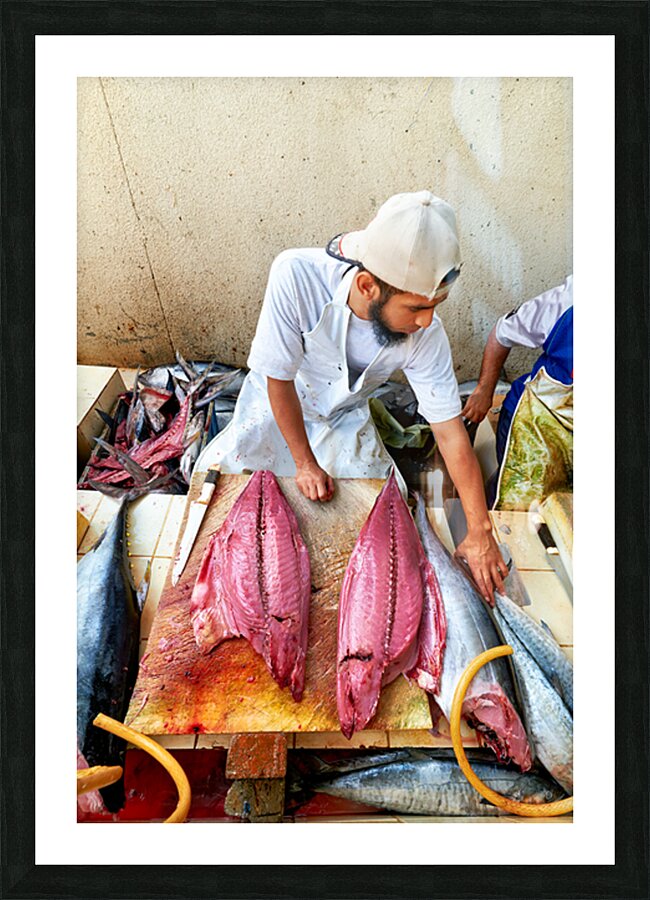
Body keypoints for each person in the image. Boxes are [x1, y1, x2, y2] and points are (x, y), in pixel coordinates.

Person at [195, 190, 507, 601]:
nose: (427, 320)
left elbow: (449, 433)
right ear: (367, 285)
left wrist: (480, 531)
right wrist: (305, 463)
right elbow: (279, 380)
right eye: (416, 308)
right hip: (278, 404)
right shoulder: (296, 275)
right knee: (231, 508)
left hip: (345, 415)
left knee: (380, 526)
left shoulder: (428, 334)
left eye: (437, 305)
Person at [462, 276, 573, 507]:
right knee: (519, 506)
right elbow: (502, 333)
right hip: (536, 425)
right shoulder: (568, 302)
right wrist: (484, 391)